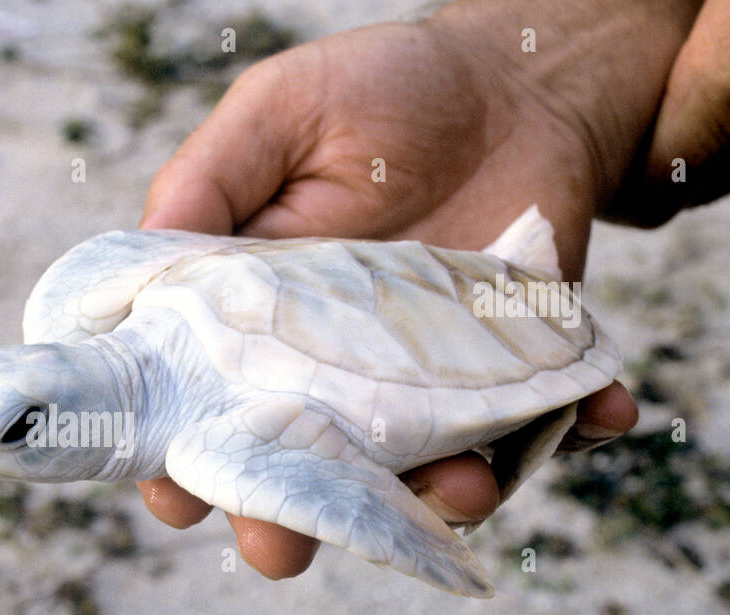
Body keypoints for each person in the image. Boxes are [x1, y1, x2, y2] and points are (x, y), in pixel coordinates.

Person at [136, 0, 730, 580]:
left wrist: (529, 82)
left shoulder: (193, 427)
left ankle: (544, 394)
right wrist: (515, 71)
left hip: (484, 300)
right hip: (484, 284)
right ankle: (542, 380)